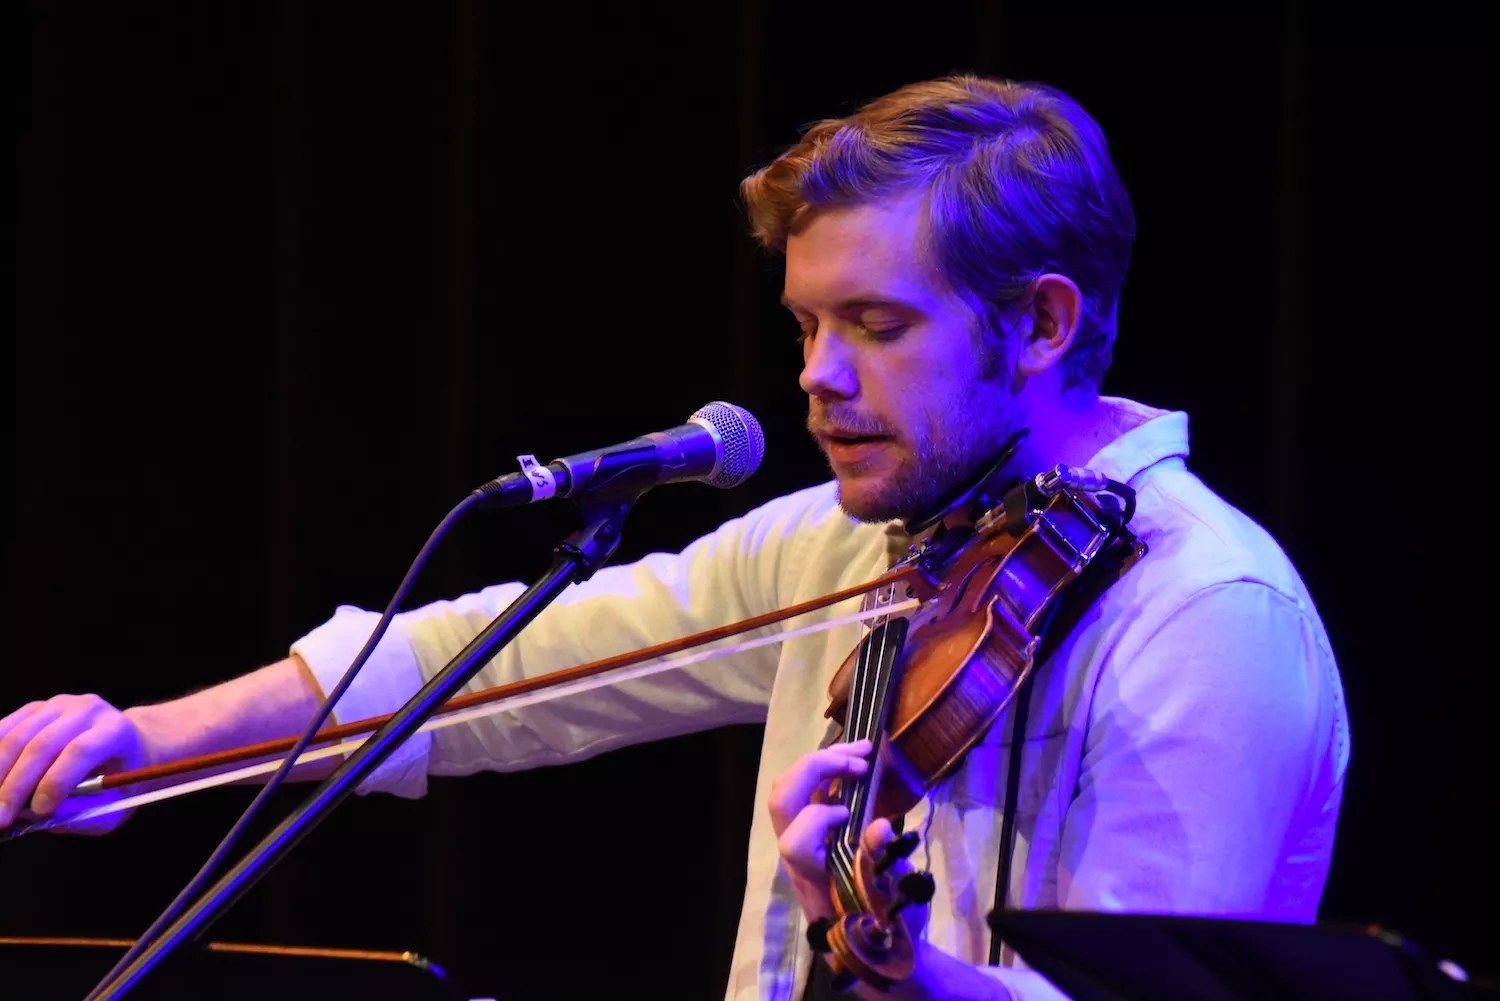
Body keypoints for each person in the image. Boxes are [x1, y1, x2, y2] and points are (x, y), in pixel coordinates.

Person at [0, 74, 1349, 1000]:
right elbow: (484, 671)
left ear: (1042, 323)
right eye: (806, 325)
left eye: (878, 326)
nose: (818, 376)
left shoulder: (1206, 615)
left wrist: (906, 973)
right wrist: (146, 739)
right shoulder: (846, 541)